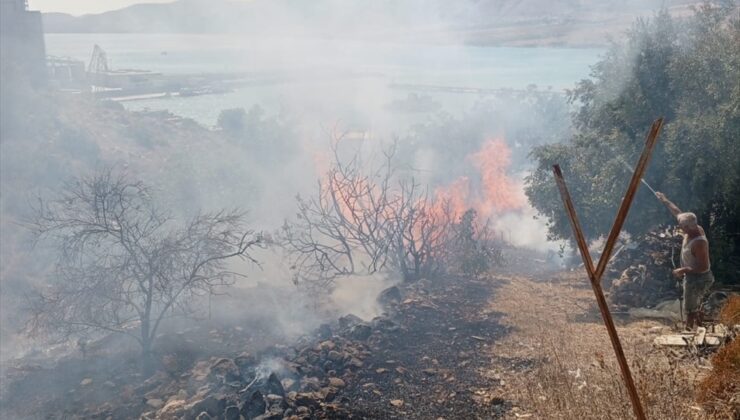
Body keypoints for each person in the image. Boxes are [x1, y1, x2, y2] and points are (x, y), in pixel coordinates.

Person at [655, 192, 713, 329]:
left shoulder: (699, 243)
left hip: (699, 278)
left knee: (690, 308)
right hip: (692, 276)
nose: (678, 227)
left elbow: (704, 267)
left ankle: (688, 332)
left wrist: (684, 269)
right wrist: (665, 200)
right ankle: (700, 327)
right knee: (695, 305)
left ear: (688, 227)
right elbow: (678, 213)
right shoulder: (692, 226)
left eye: (680, 225)